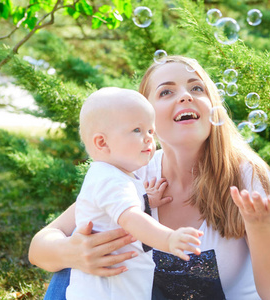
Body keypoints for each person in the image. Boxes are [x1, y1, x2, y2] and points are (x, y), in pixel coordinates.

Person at [29, 56, 270, 300]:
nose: (185, 96)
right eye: (166, 91)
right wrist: (73, 252)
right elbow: (39, 247)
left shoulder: (246, 177)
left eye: (197, 88)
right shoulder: (129, 171)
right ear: (143, 115)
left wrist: (262, 227)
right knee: (76, 265)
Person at [66, 87, 203, 299]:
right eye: (137, 130)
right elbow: (131, 219)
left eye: (150, 130)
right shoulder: (108, 178)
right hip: (107, 293)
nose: (149, 138)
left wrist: (145, 200)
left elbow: (121, 212)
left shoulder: (119, 176)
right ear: (102, 142)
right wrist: (169, 239)